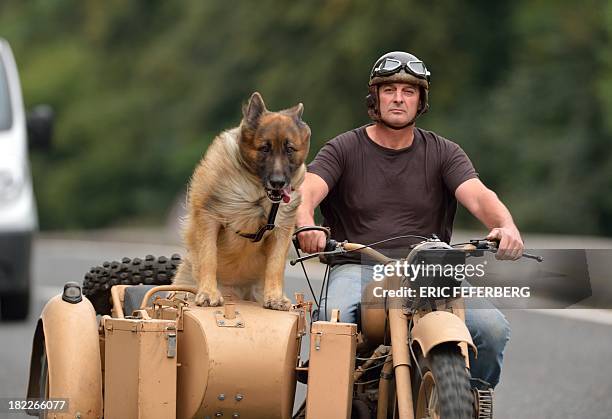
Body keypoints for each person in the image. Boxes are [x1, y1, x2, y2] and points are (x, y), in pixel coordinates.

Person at [296, 51, 524, 390]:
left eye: (409, 91)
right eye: (389, 90)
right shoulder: (344, 148)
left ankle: (468, 400)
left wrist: (506, 226)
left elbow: (478, 195)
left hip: (428, 270)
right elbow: (307, 191)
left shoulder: (444, 152)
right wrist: (305, 225)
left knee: (491, 328)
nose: (399, 99)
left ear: (421, 100)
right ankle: (332, 402)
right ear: (375, 97)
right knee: (335, 323)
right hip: (358, 264)